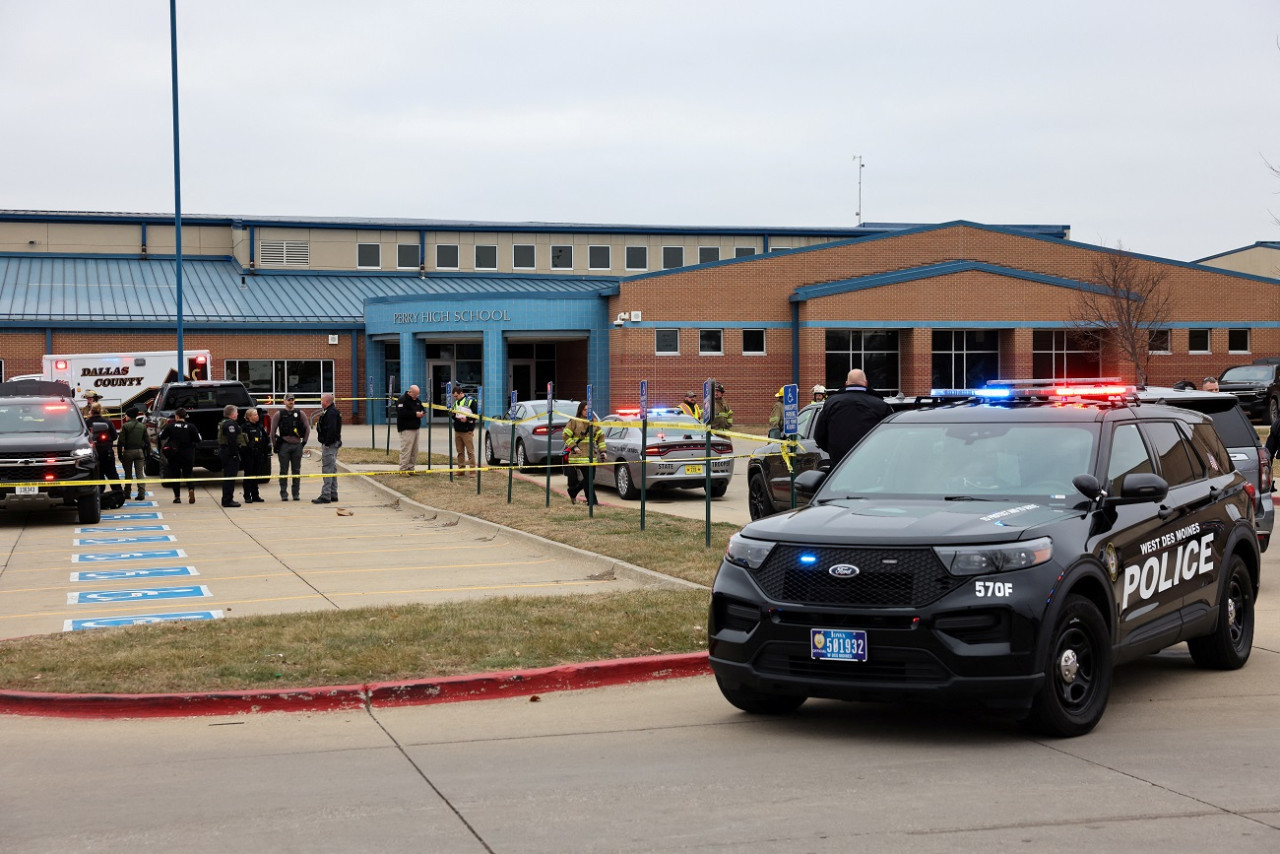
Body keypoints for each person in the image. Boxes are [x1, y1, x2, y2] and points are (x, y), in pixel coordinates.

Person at [814, 368, 893, 465]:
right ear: (866, 383)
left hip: (839, 466)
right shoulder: (881, 405)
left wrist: (835, 451)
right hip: (872, 464)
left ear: (846, 383)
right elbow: (890, 438)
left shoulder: (831, 403)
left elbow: (819, 436)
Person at [563, 400, 606, 505]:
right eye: (585, 410)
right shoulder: (574, 421)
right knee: (588, 479)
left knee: (590, 479)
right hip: (579, 455)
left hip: (591, 455)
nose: (587, 412)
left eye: (589, 410)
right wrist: (574, 447)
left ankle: (573, 491)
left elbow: (600, 438)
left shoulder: (594, 422)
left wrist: (603, 451)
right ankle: (592, 501)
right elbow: (566, 435)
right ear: (580, 410)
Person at [86, 402, 125, 505]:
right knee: (112, 474)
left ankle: (97, 497)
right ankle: (118, 494)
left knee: (97, 476)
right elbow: (115, 436)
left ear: (91, 411)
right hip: (107, 453)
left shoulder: (87, 423)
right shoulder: (107, 422)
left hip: (93, 453)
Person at [158, 407, 200, 504]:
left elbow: (162, 436)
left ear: (176, 416)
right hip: (188, 454)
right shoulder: (191, 426)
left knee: (175, 475)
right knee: (188, 473)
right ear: (185, 417)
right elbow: (198, 440)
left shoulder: (171, 426)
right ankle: (191, 490)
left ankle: (177, 497)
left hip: (174, 454)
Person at [273, 394, 309, 500]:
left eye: (292, 400)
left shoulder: (300, 413)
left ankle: (296, 493)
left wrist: (304, 443)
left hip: (297, 445)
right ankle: (284, 493)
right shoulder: (279, 414)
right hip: (284, 445)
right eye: (288, 400)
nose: (291, 402)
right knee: (283, 470)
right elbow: (272, 431)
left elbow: (307, 428)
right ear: (284, 401)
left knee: (296, 471)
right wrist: (275, 445)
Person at [313, 392, 342, 504]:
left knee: (327, 470)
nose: (321, 402)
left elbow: (332, 430)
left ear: (327, 402)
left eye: (322, 401)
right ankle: (333, 494)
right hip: (332, 444)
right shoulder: (330, 412)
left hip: (330, 445)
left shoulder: (331, 413)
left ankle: (325, 495)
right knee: (332, 469)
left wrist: (327, 443)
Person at [117, 405, 151, 500]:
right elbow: (147, 442)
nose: (125, 417)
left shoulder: (125, 426)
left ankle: (127, 493)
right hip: (139, 452)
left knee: (128, 474)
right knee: (140, 473)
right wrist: (147, 454)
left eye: (126, 415)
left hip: (128, 452)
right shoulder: (142, 426)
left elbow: (120, 442)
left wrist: (120, 455)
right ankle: (141, 494)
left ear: (129, 416)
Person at [240, 407, 271, 503]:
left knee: (255, 475)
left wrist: (265, 451)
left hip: (258, 454)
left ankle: (255, 495)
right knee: (249, 475)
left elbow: (265, 439)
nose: (257, 416)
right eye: (255, 415)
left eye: (257, 414)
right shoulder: (244, 427)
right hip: (248, 455)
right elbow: (242, 443)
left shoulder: (260, 426)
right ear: (249, 417)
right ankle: (247, 495)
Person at [216, 404, 244, 508]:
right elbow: (232, 441)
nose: (237, 414)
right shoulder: (230, 425)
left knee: (228, 477)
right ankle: (228, 500)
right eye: (236, 412)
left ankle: (227, 498)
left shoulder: (224, 423)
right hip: (229, 453)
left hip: (225, 451)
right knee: (230, 477)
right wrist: (235, 454)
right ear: (232, 414)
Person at [395, 384, 426, 471]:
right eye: (415, 394)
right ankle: (403, 468)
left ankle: (411, 467)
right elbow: (401, 413)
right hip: (406, 428)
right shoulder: (402, 400)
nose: (416, 396)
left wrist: (422, 413)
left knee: (414, 450)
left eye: (417, 395)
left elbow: (422, 408)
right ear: (410, 392)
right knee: (406, 449)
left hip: (416, 427)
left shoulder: (417, 400)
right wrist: (415, 414)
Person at [451, 386, 478, 475]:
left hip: (467, 430)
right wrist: (453, 415)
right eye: (454, 396)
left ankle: (472, 470)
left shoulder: (470, 401)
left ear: (461, 393)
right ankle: (461, 469)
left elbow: (475, 415)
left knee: (470, 451)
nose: (455, 398)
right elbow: (454, 416)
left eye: (456, 396)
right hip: (458, 430)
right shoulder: (456, 403)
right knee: (460, 452)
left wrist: (466, 419)